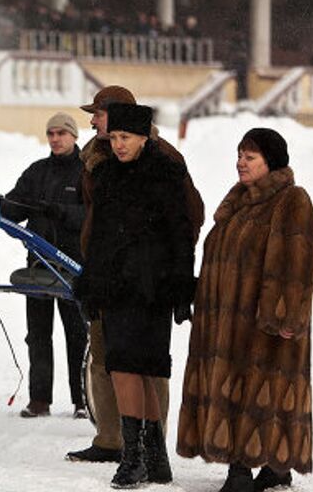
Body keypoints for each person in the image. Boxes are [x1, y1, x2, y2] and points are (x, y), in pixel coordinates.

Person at [67, 85, 204, 464]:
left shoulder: (163, 159)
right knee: (105, 359)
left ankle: (148, 446)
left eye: (98, 113)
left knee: (145, 366)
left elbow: (188, 217)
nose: (92, 120)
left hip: (146, 282)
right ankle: (110, 438)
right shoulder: (99, 156)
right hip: (107, 276)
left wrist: (160, 266)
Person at [177, 128, 313, 492]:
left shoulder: (291, 200)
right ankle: (275, 467)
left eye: (249, 157)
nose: (240, 162)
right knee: (242, 387)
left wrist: (285, 317)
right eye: (239, 154)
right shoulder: (240, 201)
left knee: (256, 390)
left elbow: (295, 265)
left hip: (263, 325)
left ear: (271, 162)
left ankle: (242, 470)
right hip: (229, 322)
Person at [0, 112, 88, 419]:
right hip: (38, 265)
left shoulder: (86, 171)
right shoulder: (36, 172)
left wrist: (58, 210)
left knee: (77, 335)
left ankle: (82, 399)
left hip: (72, 266)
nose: (55, 139)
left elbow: (91, 217)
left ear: (74, 136)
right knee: (37, 334)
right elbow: (13, 207)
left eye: (61, 133)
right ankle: (40, 399)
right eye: (51, 133)